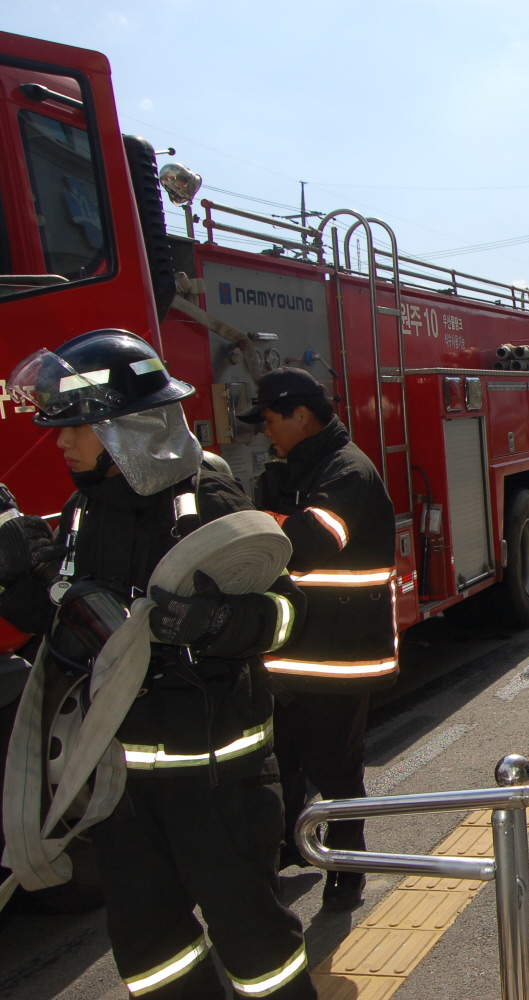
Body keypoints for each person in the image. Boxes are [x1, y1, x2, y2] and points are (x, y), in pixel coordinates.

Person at [0, 330, 315, 999]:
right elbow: (66, 627)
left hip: (219, 784)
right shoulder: (84, 512)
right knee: (150, 954)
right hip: (121, 790)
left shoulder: (208, 503)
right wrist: (17, 574)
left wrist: (217, 624)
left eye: (77, 427)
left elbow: (288, 615)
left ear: (129, 428)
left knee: (258, 950)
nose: (62, 442)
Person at [236, 367, 397, 911]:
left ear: (301, 416)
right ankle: (294, 847)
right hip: (289, 652)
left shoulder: (347, 470)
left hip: (338, 657)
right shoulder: (300, 468)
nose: (265, 433)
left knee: (336, 771)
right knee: (281, 764)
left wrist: (252, 523)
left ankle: (346, 870)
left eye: (269, 421)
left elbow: (308, 541)